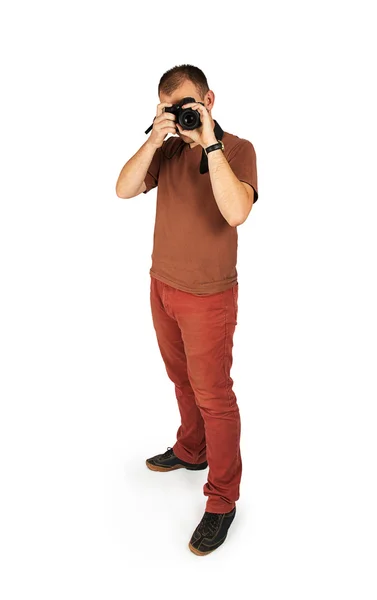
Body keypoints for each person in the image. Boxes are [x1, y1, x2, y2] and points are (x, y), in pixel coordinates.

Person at [115, 64, 258, 556]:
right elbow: (124, 188)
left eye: (187, 106)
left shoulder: (238, 149)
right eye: (171, 109)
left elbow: (236, 211)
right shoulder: (168, 148)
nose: (181, 116)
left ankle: (222, 500)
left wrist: (209, 141)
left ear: (209, 99)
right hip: (163, 286)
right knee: (181, 381)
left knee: (214, 396)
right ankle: (192, 450)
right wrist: (156, 138)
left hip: (209, 297)